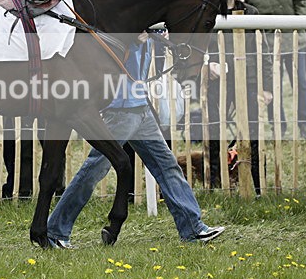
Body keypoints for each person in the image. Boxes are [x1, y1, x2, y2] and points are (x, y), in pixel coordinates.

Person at [46, 20, 225, 248]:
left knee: (167, 165)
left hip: (140, 109)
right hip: (120, 111)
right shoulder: (121, 26)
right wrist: (131, 39)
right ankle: (55, 230)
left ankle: (192, 228)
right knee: (95, 169)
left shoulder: (147, 26)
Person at [204, 0, 272, 194]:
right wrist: (207, 65)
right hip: (219, 82)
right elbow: (198, 47)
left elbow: (264, 52)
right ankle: (215, 182)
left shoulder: (251, 13)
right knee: (216, 131)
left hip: (248, 80)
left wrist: (267, 86)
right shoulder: (208, 13)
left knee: (253, 132)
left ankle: (258, 183)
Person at [240, 0, 306, 138]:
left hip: (295, 39)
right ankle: (278, 126)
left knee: (301, 85)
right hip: (269, 45)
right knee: (273, 86)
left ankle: (305, 125)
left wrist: (300, 18)